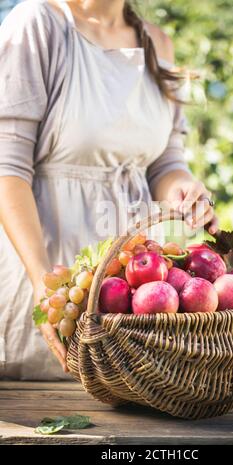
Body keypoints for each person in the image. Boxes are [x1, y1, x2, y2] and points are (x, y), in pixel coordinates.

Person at [0, 0, 218, 380]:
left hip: (132, 295)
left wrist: (183, 187)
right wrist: (42, 285)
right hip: (48, 276)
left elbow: (165, 163)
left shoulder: (157, 43)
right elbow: (7, 169)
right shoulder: (38, 24)